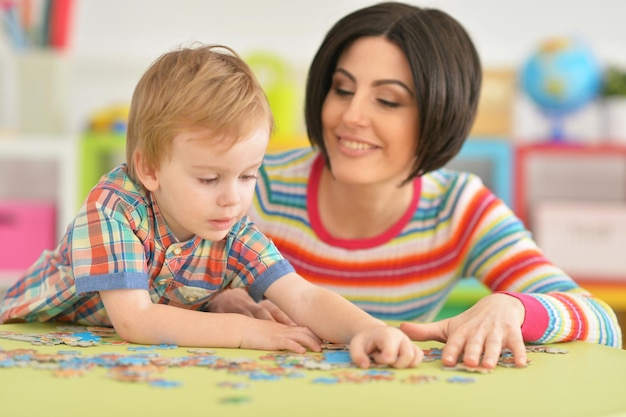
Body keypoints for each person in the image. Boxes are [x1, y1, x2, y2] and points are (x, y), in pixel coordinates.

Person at [209, 2, 623, 369]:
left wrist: (512, 306)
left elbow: (603, 323)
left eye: (387, 100)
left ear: (440, 114)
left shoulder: (459, 207)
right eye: (342, 89)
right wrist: (210, 302)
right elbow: (148, 284)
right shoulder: (253, 187)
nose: (351, 115)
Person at [0, 43, 423, 369]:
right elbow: (136, 320)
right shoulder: (113, 208)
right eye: (208, 178)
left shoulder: (231, 225)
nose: (232, 197)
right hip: (26, 332)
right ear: (150, 169)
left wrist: (368, 329)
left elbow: (304, 298)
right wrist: (244, 332)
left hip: (102, 352)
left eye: (247, 175)